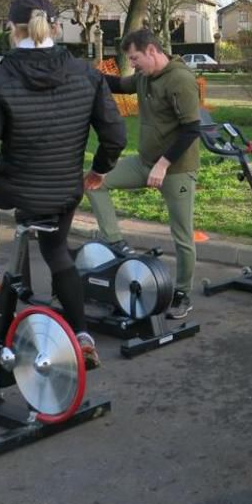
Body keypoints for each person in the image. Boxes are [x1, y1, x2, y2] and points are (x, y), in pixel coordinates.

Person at [0, 0, 127, 368]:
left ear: (11, 29)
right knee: (56, 252)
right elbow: (115, 134)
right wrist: (99, 170)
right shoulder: (87, 73)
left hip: (14, 188)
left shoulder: (1, 77)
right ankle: (82, 335)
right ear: (55, 26)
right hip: (64, 189)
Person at [86, 28, 201, 319]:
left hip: (176, 169)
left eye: (135, 57)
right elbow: (120, 85)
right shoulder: (144, 77)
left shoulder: (180, 79)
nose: (133, 64)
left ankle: (183, 293)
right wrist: (84, 73)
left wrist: (163, 165)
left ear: (152, 50)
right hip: (144, 162)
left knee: (182, 235)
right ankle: (115, 242)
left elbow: (191, 129)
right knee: (94, 180)